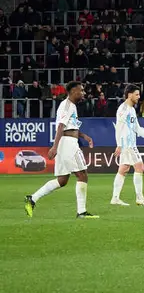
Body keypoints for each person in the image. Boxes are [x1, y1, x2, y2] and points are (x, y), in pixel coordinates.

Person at [24, 82, 97, 219]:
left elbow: (70, 126)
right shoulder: (67, 105)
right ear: (73, 91)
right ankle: (81, 212)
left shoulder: (71, 106)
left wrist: (83, 136)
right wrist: (54, 146)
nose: (83, 93)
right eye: (81, 90)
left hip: (66, 142)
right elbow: (61, 126)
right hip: (68, 144)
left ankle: (32, 198)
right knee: (82, 175)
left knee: (62, 180)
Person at [111, 84, 144, 206]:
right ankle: (139, 198)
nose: (139, 97)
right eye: (137, 94)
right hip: (127, 144)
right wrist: (119, 144)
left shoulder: (132, 110)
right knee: (139, 167)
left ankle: (115, 198)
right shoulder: (123, 110)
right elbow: (119, 128)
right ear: (129, 95)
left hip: (129, 143)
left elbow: (137, 128)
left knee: (123, 169)